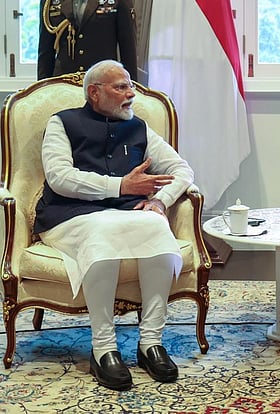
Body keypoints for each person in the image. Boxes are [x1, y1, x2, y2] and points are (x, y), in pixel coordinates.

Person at [34, 59, 194, 391]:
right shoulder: (62, 123)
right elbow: (60, 178)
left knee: (156, 226)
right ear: (95, 93)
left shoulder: (138, 127)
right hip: (69, 216)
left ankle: (151, 343)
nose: (131, 94)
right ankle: (104, 348)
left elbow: (182, 170)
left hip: (125, 215)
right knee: (102, 231)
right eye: (121, 87)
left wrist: (160, 201)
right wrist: (121, 186)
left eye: (130, 86)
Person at [38, 0, 138, 81]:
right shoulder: (50, 2)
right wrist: (41, 90)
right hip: (63, 82)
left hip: (103, 82)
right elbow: (45, 51)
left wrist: (133, 89)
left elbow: (128, 49)